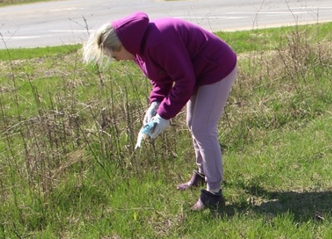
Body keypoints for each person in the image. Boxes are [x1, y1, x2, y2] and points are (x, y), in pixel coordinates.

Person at [81, 12, 238, 211]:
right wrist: (155, 104)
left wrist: (164, 115)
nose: (117, 60)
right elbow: (161, 77)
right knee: (193, 124)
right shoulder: (138, 49)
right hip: (199, 71)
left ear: (120, 46)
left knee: (202, 128)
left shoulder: (158, 41)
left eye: (114, 56)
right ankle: (203, 174)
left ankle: (214, 193)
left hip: (217, 67)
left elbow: (184, 80)